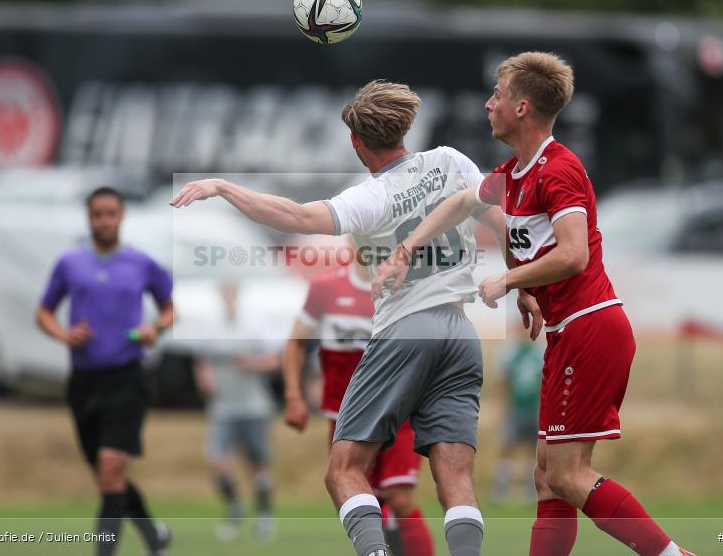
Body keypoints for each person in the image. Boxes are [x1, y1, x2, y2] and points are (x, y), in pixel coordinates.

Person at [372, 52, 694, 556]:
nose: (487, 105)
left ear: (522, 108)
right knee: (546, 475)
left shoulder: (557, 169)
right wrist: (407, 249)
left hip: (590, 328)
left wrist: (509, 280)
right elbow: (462, 202)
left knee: (567, 476)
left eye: (496, 96)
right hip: (569, 333)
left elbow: (573, 254)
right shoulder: (515, 174)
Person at [171, 80, 511, 556]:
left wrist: (225, 187)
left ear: (356, 142)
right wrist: (522, 282)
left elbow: (292, 216)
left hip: (406, 329)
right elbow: (497, 214)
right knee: (455, 477)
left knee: (344, 470)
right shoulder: (451, 161)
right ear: (404, 127)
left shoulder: (369, 196)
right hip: (460, 332)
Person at [37, 186, 174, 556]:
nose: (104, 220)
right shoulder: (70, 264)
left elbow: (168, 309)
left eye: (111, 213)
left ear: (121, 216)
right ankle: (154, 536)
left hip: (127, 377)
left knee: (112, 469)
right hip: (83, 381)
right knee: (106, 477)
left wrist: (155, 330)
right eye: (97, 214)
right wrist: (63, 334)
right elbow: (44, 312)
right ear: (89, 217)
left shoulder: (141, 264)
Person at [283, 249, 434, 556]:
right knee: (363, 501)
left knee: (399, 496)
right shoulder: (326, 287)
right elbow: (296, 342)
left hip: (397, 412)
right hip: (345, 418)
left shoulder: (405, 288)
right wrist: (293, 395)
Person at [193, 282, 281, 542]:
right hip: (223, 407)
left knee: (257, 466)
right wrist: (205, 378)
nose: (229, 298)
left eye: (232, 293)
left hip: (254, 406)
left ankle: (264, 516)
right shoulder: (211, 328)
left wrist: (253, 363)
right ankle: (234, 509)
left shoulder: (254, 326)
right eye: (225, 293)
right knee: (216, 462)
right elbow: (202, 361)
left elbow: (276, 360)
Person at [489, 328, 543, 505]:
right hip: (515, 409)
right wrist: (500, 409)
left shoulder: (541, 352)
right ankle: (500, 490)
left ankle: (530, 491)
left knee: (533, 450)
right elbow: (502, 382)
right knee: (507, 447)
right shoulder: (509, 353)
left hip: (535, 409)